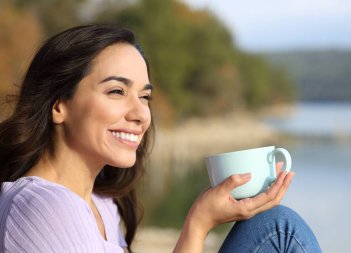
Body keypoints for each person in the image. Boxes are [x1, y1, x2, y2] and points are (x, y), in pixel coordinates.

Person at [0, 24, 321, 253]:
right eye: (117, 91)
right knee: (280, 230)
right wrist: (198, 224)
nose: (140, 113)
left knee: (276, 224)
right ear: (59, 105)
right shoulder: (45, 207)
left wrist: (199, 222)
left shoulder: (101, 203)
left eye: (144, 96)